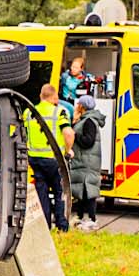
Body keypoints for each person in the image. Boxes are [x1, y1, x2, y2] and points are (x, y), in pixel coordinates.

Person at [25, 80, 71, 232]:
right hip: (54, 160)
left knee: (42, 193)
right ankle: (62, 225)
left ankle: (45, 226)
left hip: (35, 159)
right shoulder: (60, 111)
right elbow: (68, 133)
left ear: (41, 96)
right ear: (55, 97)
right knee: (59, 191)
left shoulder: (28, 112)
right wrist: (68, 150)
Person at [68, 92, 106, 230]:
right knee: (82, 192)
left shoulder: (89, 121)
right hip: (84, 161)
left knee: (88, 192)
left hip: (86, 162)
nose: (76, 105)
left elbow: (88, 141)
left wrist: (75, 135)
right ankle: (81, 218)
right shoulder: (84, 119)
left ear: (82, 106)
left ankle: (91, 219)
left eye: (78, 104)